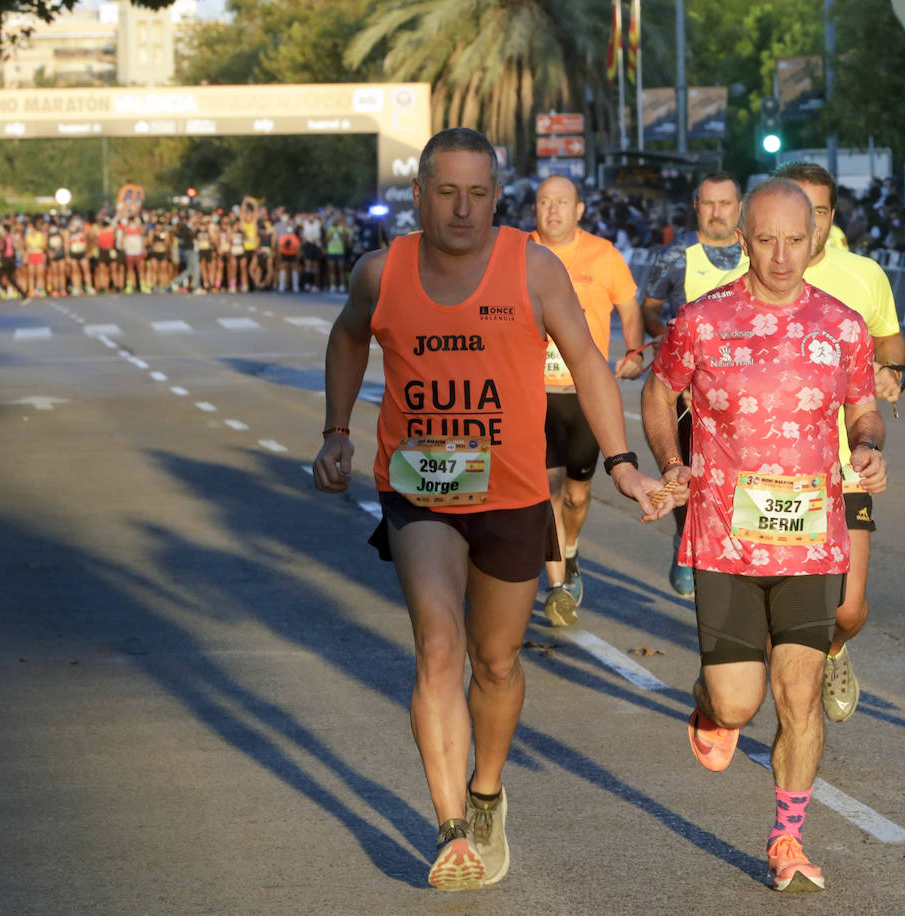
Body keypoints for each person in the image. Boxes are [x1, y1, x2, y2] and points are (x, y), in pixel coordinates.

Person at [312, 128, 670, 891]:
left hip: (511, 493)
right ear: (420, 196)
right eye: (447, 192)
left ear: (497, 197)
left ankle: (485, 792)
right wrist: (337, 430)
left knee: (497, 662)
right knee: (439, 646)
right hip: (420, 490)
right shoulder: (383, 272)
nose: (464, 209)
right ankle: (449, 832)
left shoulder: (532, 268)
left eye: (478, 193)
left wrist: (624, 464)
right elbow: (347, 339)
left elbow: (589, 363)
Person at [642, 179, 884, 893]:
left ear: (816, 240)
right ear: (742, 241)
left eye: (795, 239)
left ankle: (788, 839)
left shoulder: (842, 324)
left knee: (799, 693)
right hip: (723, 541)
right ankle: (710, 705)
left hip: (811, 540)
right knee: (740, 704)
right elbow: (659, 391)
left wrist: (867, 445)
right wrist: (670, 462)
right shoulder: (702, 321)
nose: (781, 255)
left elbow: (863, 407)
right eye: (766, 239)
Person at [776, 161, 904, 723]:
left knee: (847, 610)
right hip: (771, 469)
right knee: (778, 608)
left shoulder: (864, 275)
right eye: (799, 208)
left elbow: (891, 342)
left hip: (844, 465)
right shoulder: (751, 274)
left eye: (821, 210)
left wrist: (890, 372)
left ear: (830, 216)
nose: (811, 221)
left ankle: (834, 649)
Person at [528, 175, 645, 625]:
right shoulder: (517, 251)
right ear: (534, 208)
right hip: (535, 395)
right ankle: (557, 586)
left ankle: (570, 551)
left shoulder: (604, 254)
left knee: (577, 496)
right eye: (544, 202)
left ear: (578, 210)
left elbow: (629, 306)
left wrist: (634, 353)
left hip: (585, 396)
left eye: (562, 202)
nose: (553, 210)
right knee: (550, 492)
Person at [641, 173, 749, 597]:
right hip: (687, 392)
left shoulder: (753, 251)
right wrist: (663, 340)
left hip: (742, 391)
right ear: (696, 206)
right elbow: (649, 308)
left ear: (739, 206)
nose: (717, 212)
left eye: (725, 203)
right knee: (687, 475)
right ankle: (685, 540)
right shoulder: (676, 255)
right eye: (708, 203)